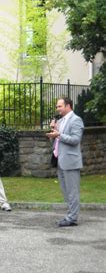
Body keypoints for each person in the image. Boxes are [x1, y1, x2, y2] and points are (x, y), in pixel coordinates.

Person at [46, 97, 84, 227]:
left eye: (59, 106)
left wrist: (58, 134)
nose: (57, 109)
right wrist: (53, 132)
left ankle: (72, 218)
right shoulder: (60, 121)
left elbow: (75, 140)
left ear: (68, 106)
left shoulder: (76, 120)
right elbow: (57, 141)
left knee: (72, 191)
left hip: (71, 161)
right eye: (57, 106)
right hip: (60, 160)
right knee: (66, 191)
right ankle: (70, 215)